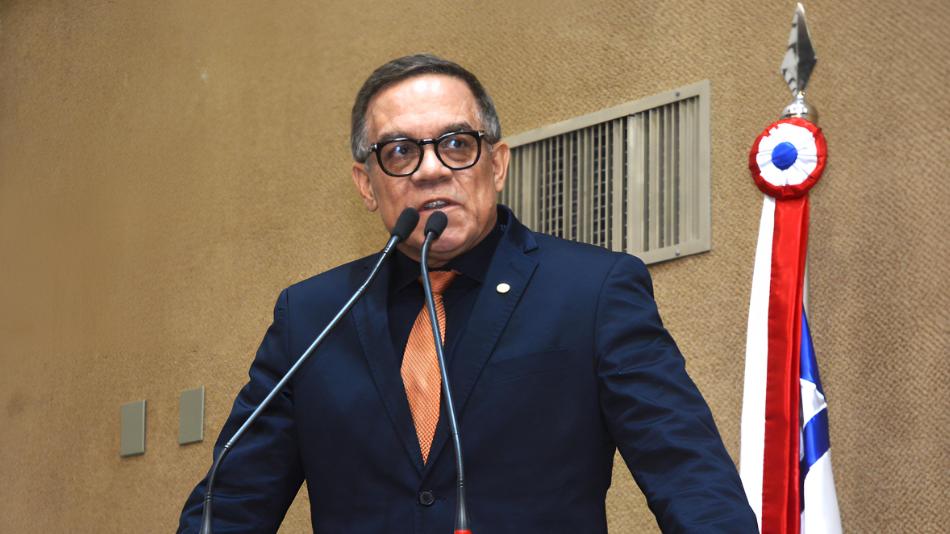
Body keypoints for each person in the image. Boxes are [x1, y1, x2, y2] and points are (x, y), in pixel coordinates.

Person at [178, 54, 759, 533]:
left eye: (457, 143)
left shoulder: (592, 292)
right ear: (366, 185)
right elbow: (231, 504)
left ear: (497, 165)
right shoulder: (311, 316)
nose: (431, 170)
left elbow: (689, 478)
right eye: (400, 152)